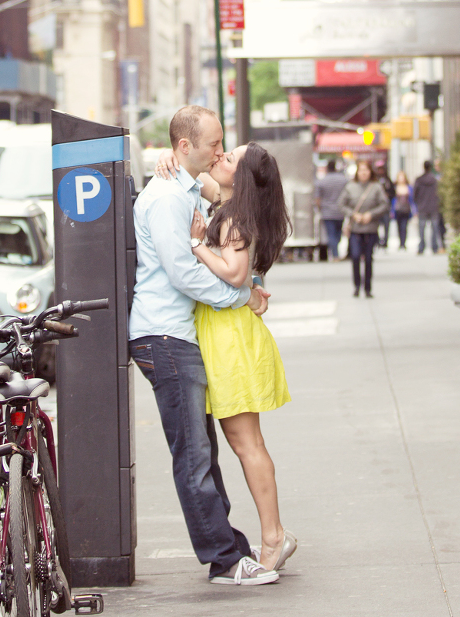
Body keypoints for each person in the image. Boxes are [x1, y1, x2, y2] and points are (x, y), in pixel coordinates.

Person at [129, 106, 279, 587]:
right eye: (214, 144)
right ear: (183, 147)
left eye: (222, 144)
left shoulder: (185, 188)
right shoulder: (168, 200)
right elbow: (185, 273)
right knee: (194, 458)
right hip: (166, 337)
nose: (219, 150)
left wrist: (249, 280)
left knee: (201, 453)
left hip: (178, 336)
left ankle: (231, 547)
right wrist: (241, 293)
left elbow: (231, 201)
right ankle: (224, 559)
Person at [155, 141, 296, 575]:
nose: (220, 158)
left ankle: (273, 539)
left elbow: (233, 272)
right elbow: (194, 176)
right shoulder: (231, 207)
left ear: (243, 178)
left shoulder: (235, 217)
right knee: (245, 442)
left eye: (229, 158)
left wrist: (198, 245)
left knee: (245, 443)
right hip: (229, 334)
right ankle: (275, 534)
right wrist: (167, 157)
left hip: (231, 339)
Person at [337, 160, 389, 297]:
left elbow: (384, 205)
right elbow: (341, 204)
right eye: (361, 170)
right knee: (355, 257)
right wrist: (353, 215)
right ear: (357, 172)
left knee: (368, 259)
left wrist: (371, 215)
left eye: (366, 170)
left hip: (371, 229)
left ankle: (367, 288)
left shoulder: (376, 187)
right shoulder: (350, 187)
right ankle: (356, 286)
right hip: (355, 229)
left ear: (370, 172)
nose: (363, 173)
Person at [314, 159, 348, 259]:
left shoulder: (322, 181)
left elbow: (317, 199)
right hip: (340, 211)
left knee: (331, 234)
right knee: (338, 233)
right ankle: (335, 251)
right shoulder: (343, 180)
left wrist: (320, 209)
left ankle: (335, 254)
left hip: (327, 212)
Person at [414, 160, 442, 254]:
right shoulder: (435, 180)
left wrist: (418, 204)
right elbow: (439, 194)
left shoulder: (419, 180)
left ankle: (421, 247)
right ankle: (434, 247)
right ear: (430, 167)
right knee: (434, 228)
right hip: (433, 207)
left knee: (421, 228)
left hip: (422, 207)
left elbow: (415, 194)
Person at [374, 160, 395, 249]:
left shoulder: (388, 180)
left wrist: (388, 195)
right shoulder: (375, 181)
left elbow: (393, 192)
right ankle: (378, 241)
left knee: (386, 225)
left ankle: (385, 241)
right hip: (376, 207)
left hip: (386, 207)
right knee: (376, 226)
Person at [392, 169, 414, 250]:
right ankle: (400, 242)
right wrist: (392, 210)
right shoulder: (395, 187)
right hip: (397, 209)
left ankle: (403, 243)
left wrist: (414, 210)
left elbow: (412, 200)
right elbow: (393, 200)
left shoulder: (409, 187)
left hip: (406, 209)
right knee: (398, 227)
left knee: (404, 226)